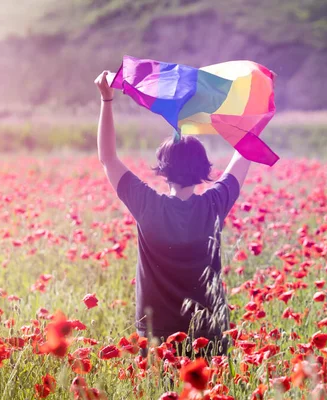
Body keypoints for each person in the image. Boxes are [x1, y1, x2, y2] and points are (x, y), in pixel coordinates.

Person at [94, 70, 251, 358]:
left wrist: (107, 100)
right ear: (203, 169)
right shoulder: (213, 205)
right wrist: (253, 108)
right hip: (209, 331)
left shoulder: (146, 204)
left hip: (157, 333)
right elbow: (244, 152)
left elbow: (107, 157)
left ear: (163, 170)